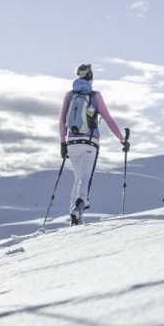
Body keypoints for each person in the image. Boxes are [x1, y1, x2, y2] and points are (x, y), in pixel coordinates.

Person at [59, 64, 129, 225]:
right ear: (90, 77)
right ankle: (79, 206)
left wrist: (63, 143)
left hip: (72, 142)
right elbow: (109, 119)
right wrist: (122, 140)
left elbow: (62, 121)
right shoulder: (95, 95)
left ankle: (75, 215)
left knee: (77, 178)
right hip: (90, 142)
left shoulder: (69, 95)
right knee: (85, 178)